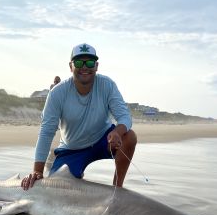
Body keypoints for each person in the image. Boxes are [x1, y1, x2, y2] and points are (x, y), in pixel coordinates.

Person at [21, 43, 137, 190]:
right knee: (54, 190)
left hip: (103, 141)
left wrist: (117, 132)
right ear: (71, 66)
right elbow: (46, 132)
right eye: (78, 62)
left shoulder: (107, 85)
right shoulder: (57, 93)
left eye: (89, 62)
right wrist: (37, 171)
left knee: (129, 136)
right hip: (72, 148)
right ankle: (74, 172)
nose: (84, 67)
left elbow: (125, 117)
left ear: (96, 66)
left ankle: (117, 190)